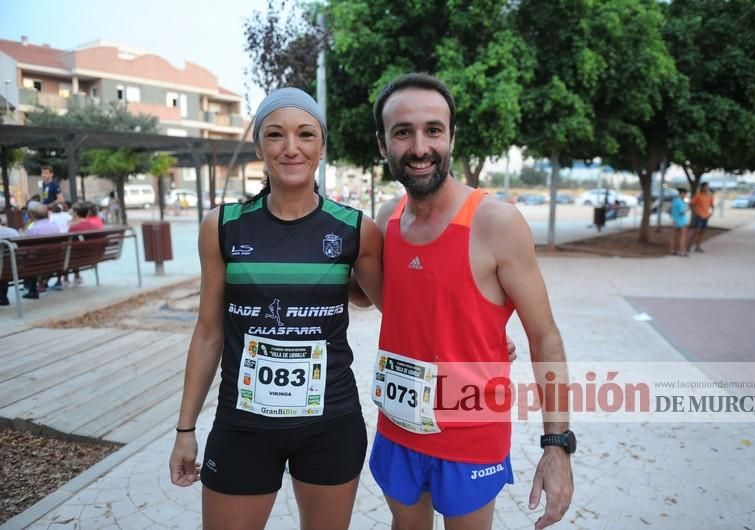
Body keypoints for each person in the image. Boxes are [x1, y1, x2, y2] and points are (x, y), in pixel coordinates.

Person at [168, 87, 383, 530]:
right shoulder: (222, 226)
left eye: (305, 134)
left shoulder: (356, 229)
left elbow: (397, 308)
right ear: (259, 146)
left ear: (321, 145)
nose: (291, 148)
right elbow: (208, 333)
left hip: (331, 423)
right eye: (275, 135)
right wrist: (185, 430)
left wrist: (483, 337)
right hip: (243, 423)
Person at [368, 73, 574, 530]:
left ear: (452, 138)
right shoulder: (386, 219)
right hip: (397, 425)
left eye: (433, 130)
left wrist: (557, 444)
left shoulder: (495, 222)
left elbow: (545, 339)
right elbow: (393, 302)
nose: (420, 146)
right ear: (383, 144)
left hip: (470, 436)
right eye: (403, 132)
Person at [687, 182, 713, 253]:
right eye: (705, 187)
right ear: (702, 187)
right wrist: (695, 212)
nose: (707, 188)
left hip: (706, 216)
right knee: (696, 231)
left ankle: (698, 247)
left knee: (702, 232)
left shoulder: (710, 196)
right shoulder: (698, 195)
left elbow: (712, 205)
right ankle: (688, 246)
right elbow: (691, 204)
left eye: (708, 186)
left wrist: (711, 213)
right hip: (699, 216)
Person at [0, 222, 20, 306]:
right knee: (5, 265)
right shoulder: (13, 232)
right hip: (14, 268)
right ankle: (3, 297)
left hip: (2, 269)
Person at [669, 188, 689, 256]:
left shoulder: (674, 201)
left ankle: (672, 250)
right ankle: (682, 251)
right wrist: (687, 208)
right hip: (682, 221)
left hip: (675, 221)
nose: (685, 195)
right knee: (682, 236)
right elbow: (682, 212)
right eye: (685, 194)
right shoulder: (680, 202)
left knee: (674, 236)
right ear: (682, 193)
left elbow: (671, 211)